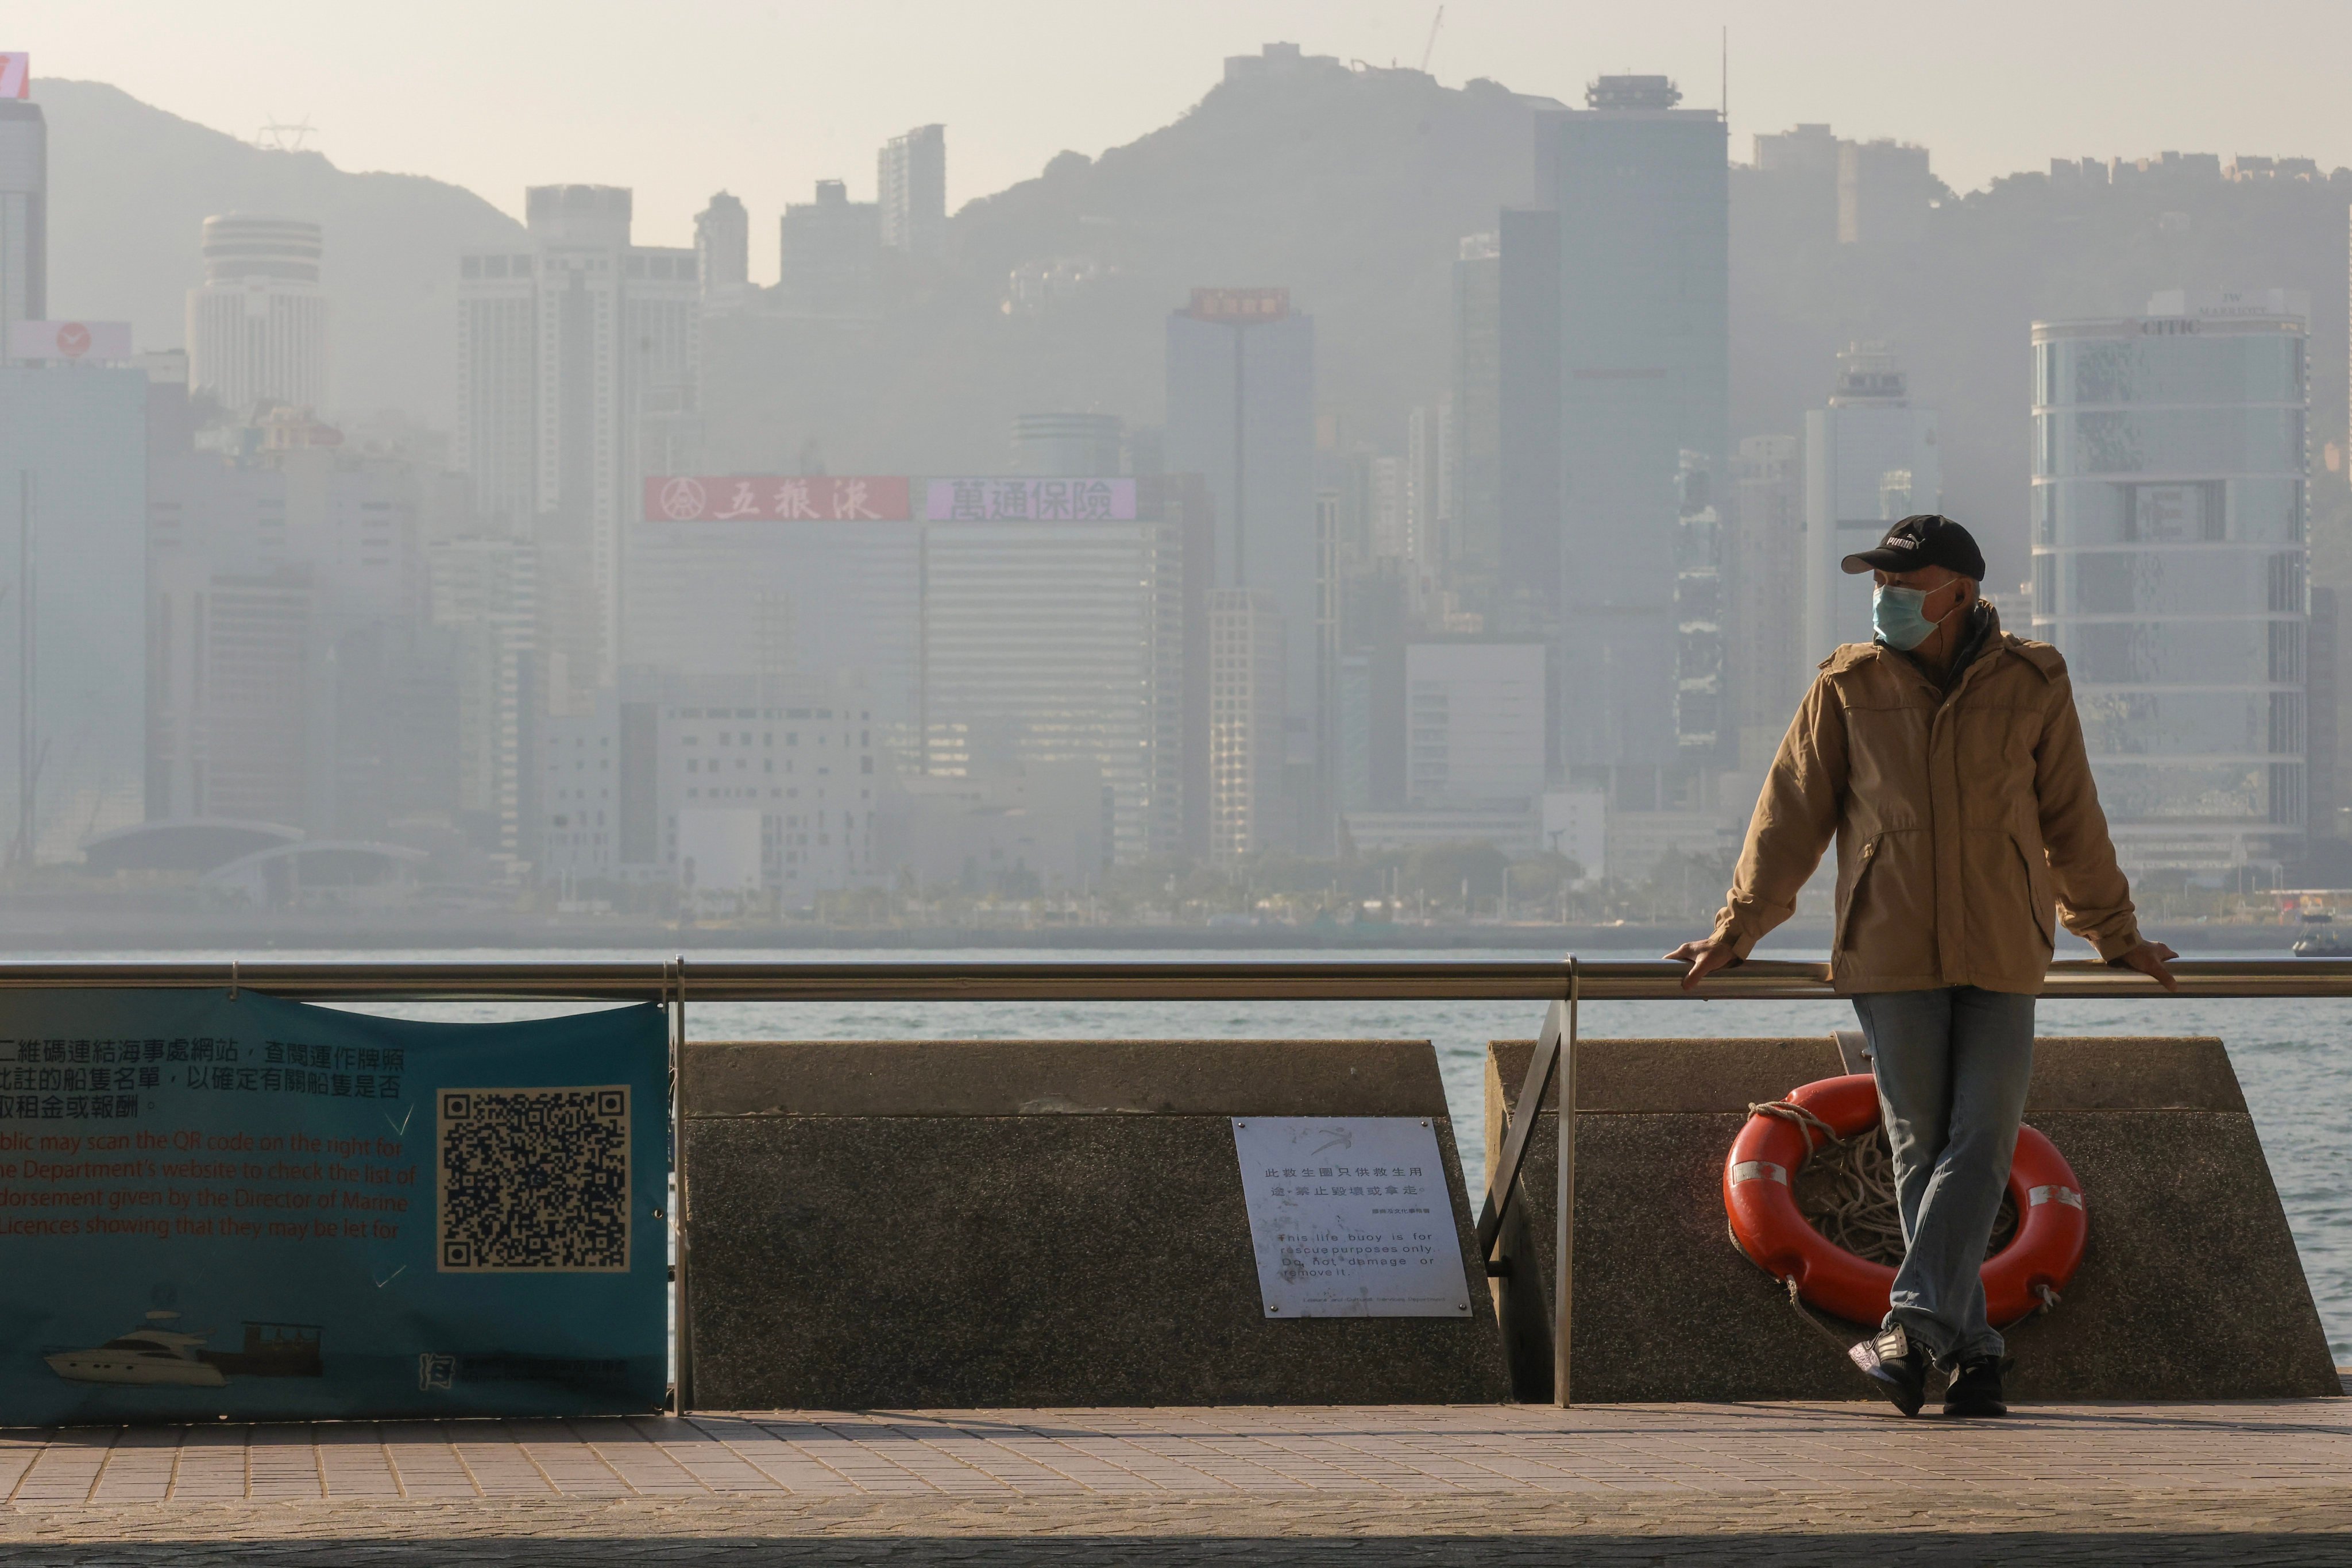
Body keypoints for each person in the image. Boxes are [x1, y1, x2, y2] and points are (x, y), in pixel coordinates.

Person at [1665, 513, 2177, 1419]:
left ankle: (1912, 1329)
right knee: (1919, 1149)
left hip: (2004, 946)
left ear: (1963, 593)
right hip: (1889, 945)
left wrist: (2115, 929)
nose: (1887, 600)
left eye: (1906, 586)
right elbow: (1791, 814)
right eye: (1880, 584)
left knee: (1981, 1136)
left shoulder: (2034, 680)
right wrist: (1737, 926)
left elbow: (2072, 817)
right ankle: (1974, 1354)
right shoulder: (1847, 682)